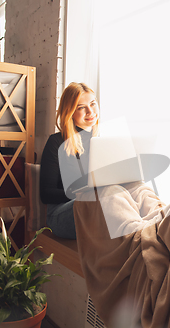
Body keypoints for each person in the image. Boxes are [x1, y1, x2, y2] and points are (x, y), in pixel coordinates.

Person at [39, 82, 100, 239]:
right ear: (70, 112)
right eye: (81, 107)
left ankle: (163, 225)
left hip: (95, 207)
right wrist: (82, 194)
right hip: (61, 213)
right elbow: (46, 194)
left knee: (139, 189)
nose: (90, 111)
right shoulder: (56, 142)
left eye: (93, 104)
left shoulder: (101, 143)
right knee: (98, 202)